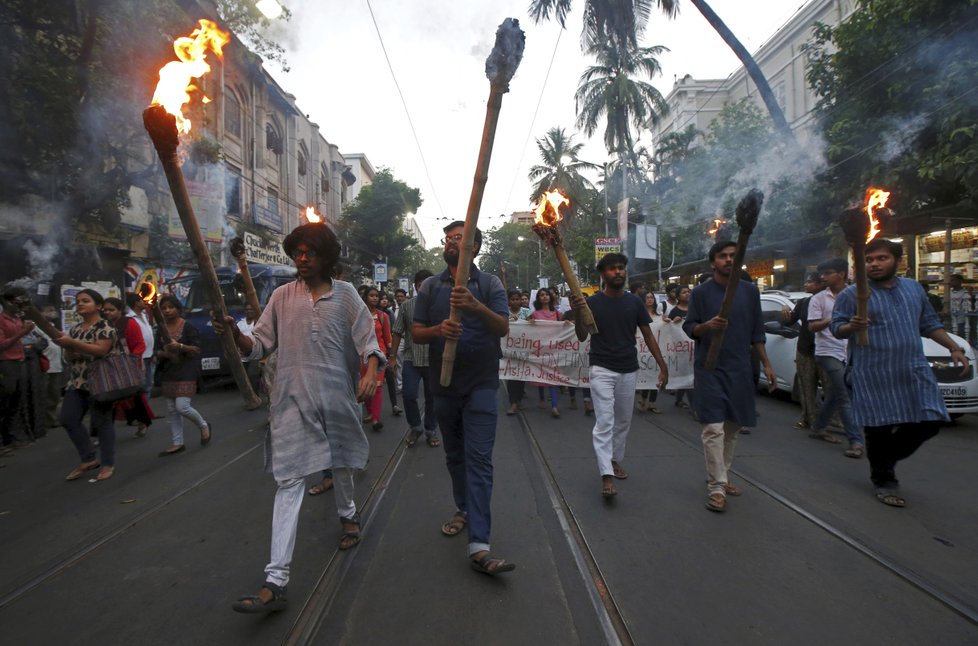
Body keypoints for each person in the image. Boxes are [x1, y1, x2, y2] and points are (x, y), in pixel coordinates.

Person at [218, 222, 383, 613]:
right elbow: (259, 345)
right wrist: (237, 337)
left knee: (341, 463)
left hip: (337, 398)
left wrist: (372, 372)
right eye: (298, 252)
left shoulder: (346, 297)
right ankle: (276, 579)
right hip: (290, 400)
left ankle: (348, 515)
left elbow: (369, 342)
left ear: (326, 257)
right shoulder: (280, 296)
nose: (302, 258)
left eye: (310, 252)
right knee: (288, 480)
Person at [831, 238, 969, 508]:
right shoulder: (852, 294)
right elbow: (836, 328)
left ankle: (885, 458)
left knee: (930, 420)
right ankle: (884, 480)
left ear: (897, 261)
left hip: (911, 369)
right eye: (869, 260)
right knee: (878, 430)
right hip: (873, 373)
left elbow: (928, 323)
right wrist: (852, 326)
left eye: (881, 258)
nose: (874, 264)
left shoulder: (914, 288)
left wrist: (954, 347)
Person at [413, 220, 515, 576]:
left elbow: (502, 326)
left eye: (459, 238)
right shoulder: (429, 286)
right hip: (443, 387)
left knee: (480, 460)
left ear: (474, 247)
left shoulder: (489, 284)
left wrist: (474, 306)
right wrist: (438, 329)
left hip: (483, 385)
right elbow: (416, 331)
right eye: (448, 238)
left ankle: (479, 545)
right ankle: (463, 508)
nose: (450, 242)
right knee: (455, 457)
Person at [683, 241, 776, 513]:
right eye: (722, 256)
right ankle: (717, 486)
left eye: (733, 256)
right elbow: (690, 328)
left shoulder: (749, 292)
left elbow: (757, 332)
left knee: (733, 428)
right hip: (709, 368)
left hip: (739, 367)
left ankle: (721, 474)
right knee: (713, 428)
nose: (728, 260)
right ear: (713, 262)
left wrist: (767, 365)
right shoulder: (700, 293)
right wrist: (707, 325)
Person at [570, 253, 669, 499]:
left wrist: (662, 365)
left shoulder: (634, 303)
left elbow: (647, 334)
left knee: (623, 420)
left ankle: (614, 460)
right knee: (605, 421)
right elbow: (582, 336)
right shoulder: (592, 302)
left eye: (621, 268)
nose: (619, 272)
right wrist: (578, 312)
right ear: (603, 274)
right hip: (602, 368)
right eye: (613, 269)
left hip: (629, 368)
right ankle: (606, 475)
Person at [52, 289, 117, 481]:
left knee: (102, 423)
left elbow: (101, 350)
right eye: (78, 301)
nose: (79, 304)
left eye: (85, 301)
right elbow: (69, 355)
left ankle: (107, 464)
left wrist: (73, 344)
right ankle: (88, 458)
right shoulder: (76, 329)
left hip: (100, 382)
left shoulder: (105, 327)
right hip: (77, 381)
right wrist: (69, 350)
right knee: (68, 418)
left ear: (98, 306)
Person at [808, 258, 864, 457]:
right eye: (821, 274)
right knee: (844, 394)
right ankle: (856, 440)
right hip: (827, 351)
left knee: (836, 392)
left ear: (841, 274)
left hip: (850, 351)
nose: (823, 277)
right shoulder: (818, 299)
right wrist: (833, 319)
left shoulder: (856, 295)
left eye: (827, 273)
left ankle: (818, 426)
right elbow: (812, 326)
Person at [390, 270, 441, 447]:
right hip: (411, 358)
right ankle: (415, 426)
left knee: (432, 398)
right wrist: (392, 358)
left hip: (434, 359)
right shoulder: (406, 306)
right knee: (409, 394)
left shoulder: (441, 306)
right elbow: (397, 332)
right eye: (421, 285)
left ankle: (430, 429)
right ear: (416, 286)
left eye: (428, 284)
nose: (424, 288)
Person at [155, 294, 210, 456]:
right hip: (169, 370)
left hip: (186, 369)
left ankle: (203, 425)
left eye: (171, 307)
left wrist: (179, 346)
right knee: (172, 409)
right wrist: (164, 353)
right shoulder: (161, 329)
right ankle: (177, 442)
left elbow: (196, 349)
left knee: (182, 406)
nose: (167, 311)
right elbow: (157, 350)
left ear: (178, 309)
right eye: (164, 308)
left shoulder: (188, 327)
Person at [102, 298, 155, 437]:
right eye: (105, 310)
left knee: (133, 398)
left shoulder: (129, 323)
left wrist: (130, 361)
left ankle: (142, 423)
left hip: (127, 367)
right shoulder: (102, 325)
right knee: (106, 401)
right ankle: (102, 433)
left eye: (111, 310)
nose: (108, 312)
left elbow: (139, 345)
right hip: (108, 367)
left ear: (120, 310)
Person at [781, 273, 822, 430]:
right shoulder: (804, 303)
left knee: (833, 389)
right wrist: (784, 313)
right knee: (806, 387)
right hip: (805, 350)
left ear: (820, 284)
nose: (806, 284)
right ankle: (808, 419)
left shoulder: (833, 301)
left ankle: (833, 420)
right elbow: (789, 321)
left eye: (810, 282)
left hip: (826, 351)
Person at [0, 287, 36, 453]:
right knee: (4, 403)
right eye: (16, 302)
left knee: (15, 403)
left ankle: (10, 439)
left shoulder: (17, 318)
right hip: (6, 364)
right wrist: (22, 333)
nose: (19, 305)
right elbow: (2, 345)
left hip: (19, 362)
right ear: (7, 302)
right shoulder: (2, 320)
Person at [362, 287, 393, 431]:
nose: (374, 298)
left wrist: (392, 356)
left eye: (376, 296)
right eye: (371, 295)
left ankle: (375, 418)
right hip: (362, 355)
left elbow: (388, 338)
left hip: (379, 356)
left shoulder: (383, 316)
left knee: (378, 386)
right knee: (365, 385)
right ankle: (370, 412)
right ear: (366, 297)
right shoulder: (359, 315)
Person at [530, 287, 561, 418]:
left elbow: (563, 328)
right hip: (540, 349)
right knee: (541, 375)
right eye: (541, 295)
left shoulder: (558, 314)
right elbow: (527, 327)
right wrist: (530, 323)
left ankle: (554, 406)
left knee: (552, 377)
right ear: (538, 298)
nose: (544, 297)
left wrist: (566, 323)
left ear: (550, 297)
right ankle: (542, 398)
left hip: (553, 350)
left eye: (546, 294)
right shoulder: (535, 314)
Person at [125, 293, 155, 421]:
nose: (144, 302)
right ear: (136, 303)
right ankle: (140, 415)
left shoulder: (144, 315)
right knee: (140, 387)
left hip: (149, 355)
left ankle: (145, 412)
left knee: (148, 384)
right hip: (139, 357)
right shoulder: (128, 318)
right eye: (142, 301)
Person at [37, 303, 65, 431]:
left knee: (54, 395)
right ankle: (42, 422)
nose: (53, 313)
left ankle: (51, 419)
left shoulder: (52, 327)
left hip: (56, 365)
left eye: (53, 310)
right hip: (44, 366)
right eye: (49, 310)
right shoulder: (35, 328)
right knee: (43, 394)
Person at [503, 288, 530, 415]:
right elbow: (501, 325)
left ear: (521, 300)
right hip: (509, 350)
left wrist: (532, 322)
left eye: (517, 299)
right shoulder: (504, 313)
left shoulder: (526, 312)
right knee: (511, 376)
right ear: (508, 301)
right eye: (512, 299)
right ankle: (513, 402)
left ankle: (518, 400)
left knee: (521, 376)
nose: (515, 301)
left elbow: (533, 327)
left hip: (524, 349)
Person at [668, 286, 695, 410]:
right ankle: (695, 408)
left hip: (695, 347)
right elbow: (670, 330)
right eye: (684, 292)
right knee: (688, 375)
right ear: (678, 297)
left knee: (691, 376)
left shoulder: (695, 309)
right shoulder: (674, 311)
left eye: (689, 292)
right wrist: (674, 321)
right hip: (682, 350)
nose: (687, 294)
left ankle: (679, 399)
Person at [637, 292, 662, 413]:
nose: (650, 299)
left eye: (652, 297)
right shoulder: (638, 316)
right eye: (647, 297)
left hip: (657, 350)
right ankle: (643, 399)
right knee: (645, 375)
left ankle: (652, 402)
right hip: (642, 352)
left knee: (656, 376)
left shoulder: (660, 317)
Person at [236, 302, 263, 396]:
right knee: (245, 378)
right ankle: (249, 396)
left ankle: (256, 395)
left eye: (251, 309)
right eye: (247, 309)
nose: (249, 311)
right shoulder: (240, 324)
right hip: (242, 355)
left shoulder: (258, 323)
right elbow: (235, 338)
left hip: (255, 354)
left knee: (253, 374)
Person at [949, 274, 970, 338]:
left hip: (961, 319)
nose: (950, 282)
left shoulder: (965, 292)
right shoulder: (949, 292)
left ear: (960, 281)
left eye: (952, 280)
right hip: (951, 318)